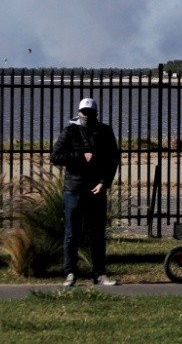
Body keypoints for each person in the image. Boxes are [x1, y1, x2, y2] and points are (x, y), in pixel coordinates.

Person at [51, 98, 121, 287]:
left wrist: (104, 183)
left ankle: (99, 274)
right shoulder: (70, 132)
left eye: (90, 113)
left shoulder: (105, 132)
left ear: (96, 114)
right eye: (84, 112)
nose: (87, 116)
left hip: (96, 190)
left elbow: (113, 159)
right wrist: (80, 156)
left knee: (97, 235)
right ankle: (71, 274)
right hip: (73, 190)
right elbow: (56, 156)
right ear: (79, 112)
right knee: (71, 234)